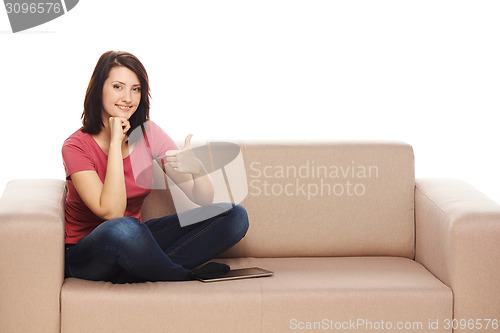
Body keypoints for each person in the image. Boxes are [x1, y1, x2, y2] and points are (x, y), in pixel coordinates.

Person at [62, 50, 249, 283]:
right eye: (118, 87)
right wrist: (114, 142)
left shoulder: (148, 133)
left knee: (235, 216)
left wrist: (197, 168)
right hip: (88, 252)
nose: (127, 98)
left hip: (137, 241)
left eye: (136, 89)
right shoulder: (75, 146)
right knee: (123, 228)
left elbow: (202, 198)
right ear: (99, 88)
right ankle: (181, 275)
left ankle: (140, 270)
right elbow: (112, 212)